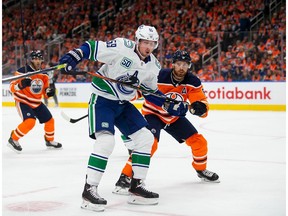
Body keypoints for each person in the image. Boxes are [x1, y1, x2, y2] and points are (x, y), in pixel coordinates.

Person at [58, 24, 188, 212]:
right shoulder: (121, 47)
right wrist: (73, 57)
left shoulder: (153, 65)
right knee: (106, 142)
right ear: (137, 40)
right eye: (144, 42)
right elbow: (93, 47)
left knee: (145, 138)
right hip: (102, 100)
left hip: (123, 105)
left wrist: (167, 104)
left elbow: (149, 92)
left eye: (152, 43)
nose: (148, 47)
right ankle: (89, 190)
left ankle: (136, 185)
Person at [113, 50, 220, 195]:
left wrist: (199, 107)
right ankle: (125, 177)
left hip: (174, 117)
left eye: (185, 65)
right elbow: (140, 91)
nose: (182, 67)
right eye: (179, 64)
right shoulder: (159, 75)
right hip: (153, 114)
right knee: (150, 143)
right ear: (173, 64)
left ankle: (201, 170)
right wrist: (127, 89)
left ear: (189, 66)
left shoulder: (192, 81)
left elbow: (200, 101)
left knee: (199, 141)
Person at [8, 50, 62, 153]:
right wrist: (20, 85)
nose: (37, 61)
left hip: (36, 102)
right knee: (30, 122)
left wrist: (49, 92)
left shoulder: (44, 74)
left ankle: (49, 141)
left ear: (42, 60)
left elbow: (45, 91)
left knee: (50, 121)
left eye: (39, 58)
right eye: (35, 58)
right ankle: (13, 139)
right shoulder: (22, 71)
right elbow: (11, 87)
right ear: (31, 60)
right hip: (22, 100)